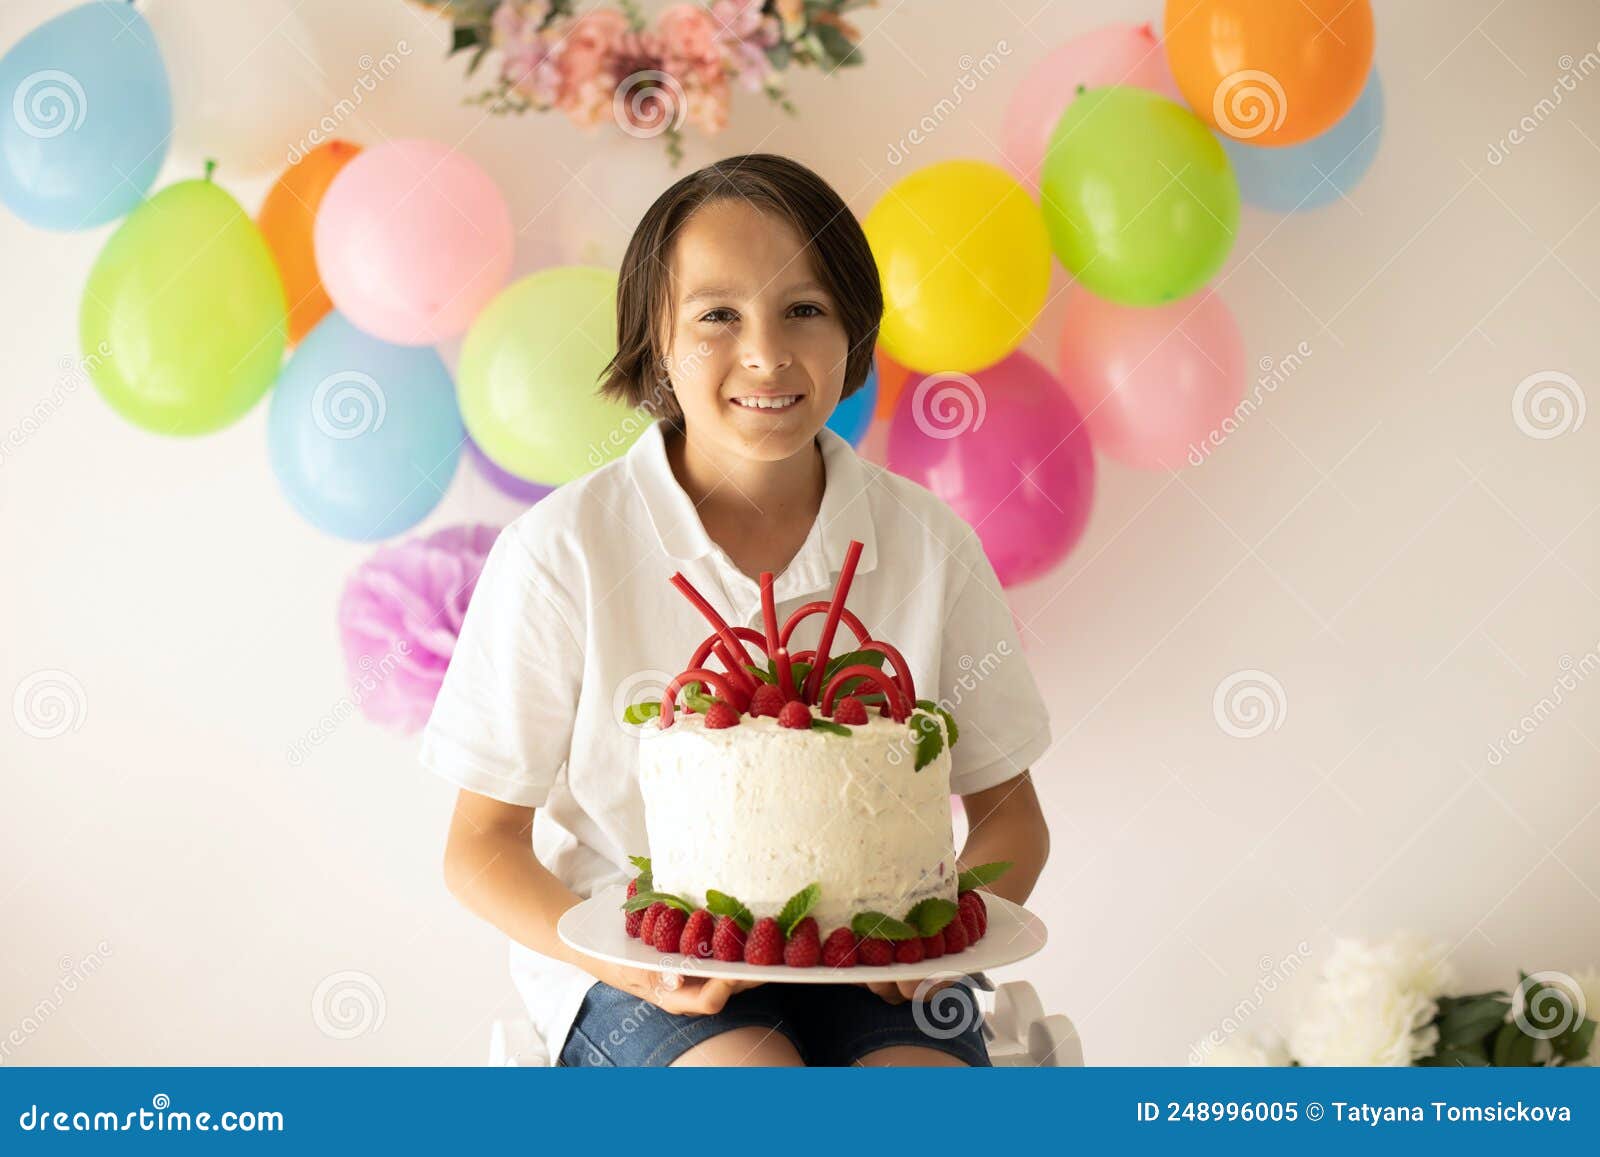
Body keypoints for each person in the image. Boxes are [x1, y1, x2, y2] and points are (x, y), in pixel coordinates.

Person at [422, 153, 1052, 1066]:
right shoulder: (562, 553)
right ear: (657, 337)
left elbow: (1012, 815)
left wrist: (932, 939)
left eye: (805, 309)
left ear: (854, 331)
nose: (766, 352)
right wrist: (624, 963)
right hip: (639, 967)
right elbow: (479, 844)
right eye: (718, 314)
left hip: (879, 958)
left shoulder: (927, 543)